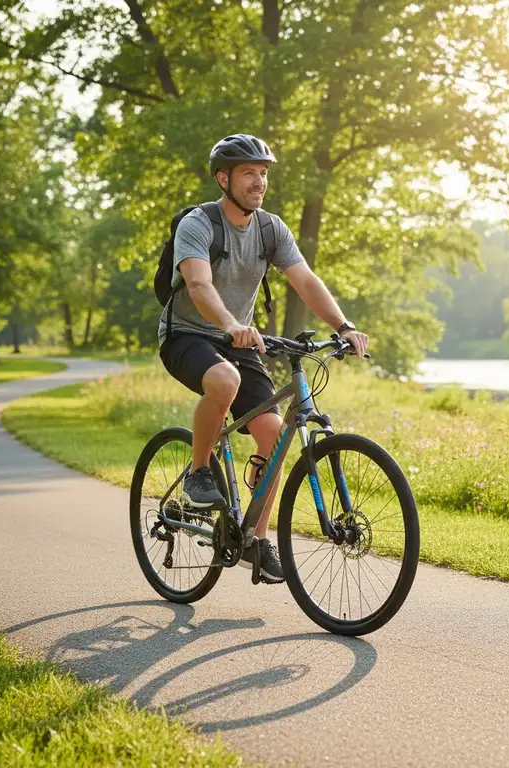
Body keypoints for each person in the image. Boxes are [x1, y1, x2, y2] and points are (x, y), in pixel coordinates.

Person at [158, 133, 369, 583]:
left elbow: (305, 280)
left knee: (274, 436)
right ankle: (199, 472)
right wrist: (231, 324)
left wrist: (343, 326)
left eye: (263, 173)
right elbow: (197, 285)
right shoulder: (198, 224)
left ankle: (255, 537)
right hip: (187, 335)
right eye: (249, 173)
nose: (259, 182)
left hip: (240, 342)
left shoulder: (271, 228)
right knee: (224, 381)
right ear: (223, 178)